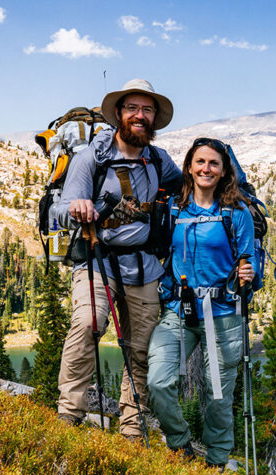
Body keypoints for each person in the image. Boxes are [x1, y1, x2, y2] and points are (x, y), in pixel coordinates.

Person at [54, 79, 182, 439]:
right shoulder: (88, 160)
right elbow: (58, 212)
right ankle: (68, 415)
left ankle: (132, 429)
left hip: (144, 267)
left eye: (147, 110)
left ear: (154, 118)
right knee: (89, 323)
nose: (140, 116)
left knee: (140, 348)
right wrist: (79, 207)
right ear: (119, 114)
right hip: (97, 259)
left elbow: (184, 185)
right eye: (133, 109)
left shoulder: (157, 159)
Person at [147, 138, 257, 467]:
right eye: (200, 162)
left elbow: (250, 266)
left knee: (218, 398)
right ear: (189, 167)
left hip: (223, 315)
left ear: (225, 171)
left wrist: (248, 275)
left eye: (213, 163)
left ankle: (217, 463)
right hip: (179, 312)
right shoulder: (175, 209)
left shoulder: (237, 215)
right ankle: (181, 445)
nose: (206, 168)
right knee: (158, 381)